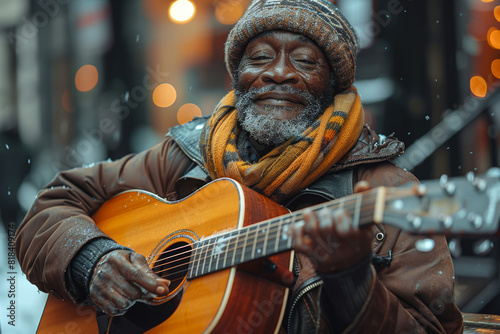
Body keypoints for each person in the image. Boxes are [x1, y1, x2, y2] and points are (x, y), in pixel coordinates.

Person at [15, 0, 464, 333]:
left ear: (334, 84)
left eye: (305, 61)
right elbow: (52, 204)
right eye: (260, 57)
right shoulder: (185, 155)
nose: (279, 74)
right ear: (238, 75)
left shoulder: (386, 192)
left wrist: (351, 280)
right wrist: (91, 260)